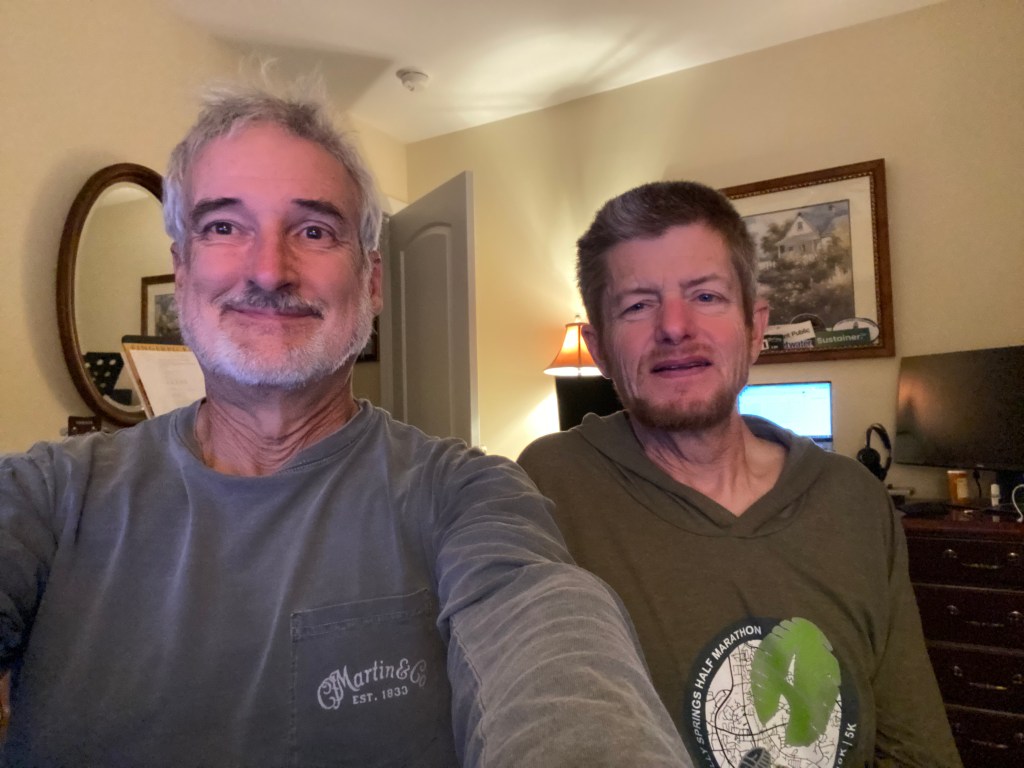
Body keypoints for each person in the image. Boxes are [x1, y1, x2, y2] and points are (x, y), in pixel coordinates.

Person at [0, 82, 692, 767]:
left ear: (371, 281)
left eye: (313, 231)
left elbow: (549, 639)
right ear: (180, 271)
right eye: (223, 227)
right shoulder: (49, 496)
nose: (269, 271)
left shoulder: (468, 494)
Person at [518, 181, 962, 767]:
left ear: (755, 328)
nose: (674, 327)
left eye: (705, 296)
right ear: (598, 349)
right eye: (638, 305)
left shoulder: (854, 501)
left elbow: (914, 746)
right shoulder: (545, 487)